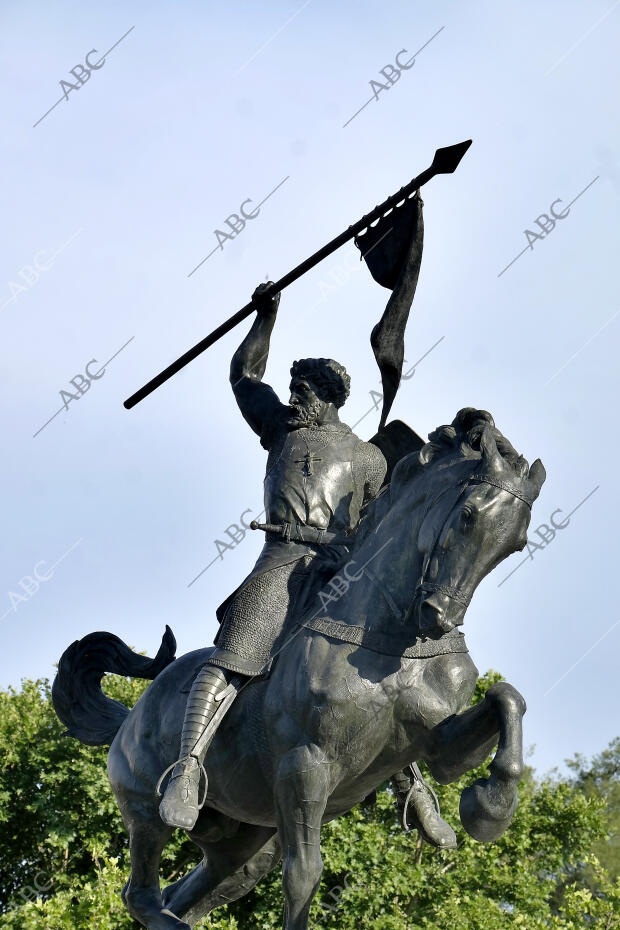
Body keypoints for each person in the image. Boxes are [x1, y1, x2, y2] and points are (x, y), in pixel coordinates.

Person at [158, 283, 455, 850]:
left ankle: (412, 787)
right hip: (281, 562)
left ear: (328, 398)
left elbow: (374, 527)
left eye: (304, 391)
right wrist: (265, 320)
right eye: (292, 389)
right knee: (235, 652)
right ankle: (189, 768)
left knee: (382, 664)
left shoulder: (370, 457)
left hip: (338, 571)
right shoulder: (282, 432)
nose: (294, 398)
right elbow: (244, 379)